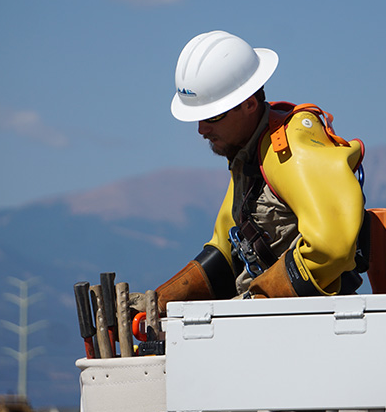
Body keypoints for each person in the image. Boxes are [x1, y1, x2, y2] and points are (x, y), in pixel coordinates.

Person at [156, 30, 367, 312]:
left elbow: (331, 247)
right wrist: (163, 302)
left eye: (212, 117)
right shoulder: (249, 155)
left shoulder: (291, 146)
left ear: (249, 104)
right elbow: (225, 247)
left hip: (307, 325)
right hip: (266, 324)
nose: (202, 130)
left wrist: (256, 303)